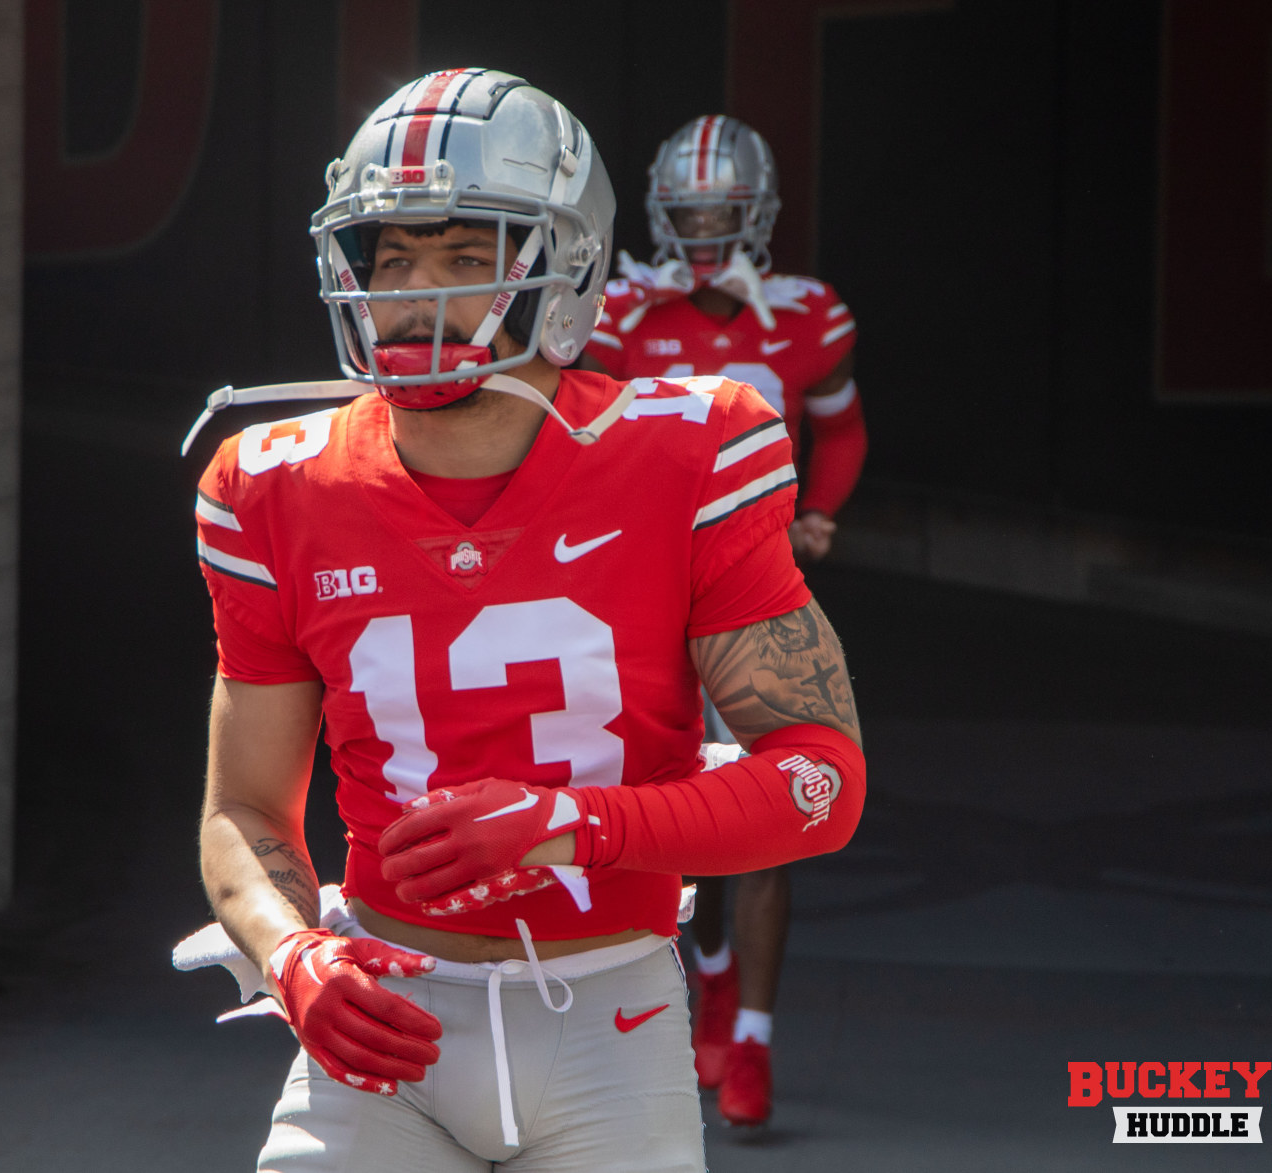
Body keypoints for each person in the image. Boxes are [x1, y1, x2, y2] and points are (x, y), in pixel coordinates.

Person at [189, 70, 864, 1172]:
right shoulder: (271, 484)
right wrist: (290, 955)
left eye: (467, 257)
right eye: (391, 256)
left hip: (614, 1025)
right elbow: (245, 811)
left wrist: (577, 825)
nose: (414, 294)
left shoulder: (693, 451)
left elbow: (820, 783)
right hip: (386, 1020)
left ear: (565, 270)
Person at [584, 114, 869, 1127]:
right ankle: (707, 965)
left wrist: (822, 514)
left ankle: (751, 1042)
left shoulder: (806, 315)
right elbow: (578, 438)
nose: (704, 228)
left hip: (753, 590)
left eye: (722, 211)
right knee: (664, 807)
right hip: (647, 590)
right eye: (689, 211)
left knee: (772, 814)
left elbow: (840, 425)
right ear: (661, 213)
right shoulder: (617, 311)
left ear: (759, 214)